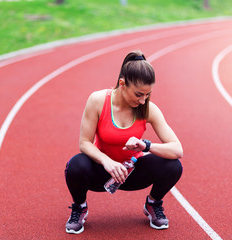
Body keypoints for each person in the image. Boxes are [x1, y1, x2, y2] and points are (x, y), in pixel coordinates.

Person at [64, 50, 183, 234]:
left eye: (147, 94)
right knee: (75, 165)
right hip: (103, 172)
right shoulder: (97, 100)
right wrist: (107, 161)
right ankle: (80, 207)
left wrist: (147, 145)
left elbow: (177, 149)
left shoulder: (149, 109)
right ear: (122, 84)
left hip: (132, 172)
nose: (143, 100)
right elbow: (85, 143)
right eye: (138, 94)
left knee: (173, 166)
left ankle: (153, 203)